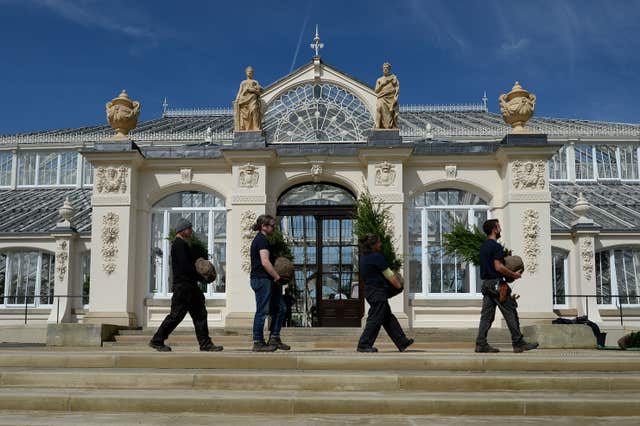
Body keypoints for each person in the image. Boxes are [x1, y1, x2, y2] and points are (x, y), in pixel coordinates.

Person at [149, 218, 222, 352]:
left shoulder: (182, 244)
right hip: (183, 287)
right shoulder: (179, 245)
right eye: (189, 228)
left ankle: (205, 343)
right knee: (176, 315)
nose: (191, 231)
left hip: (189, 286)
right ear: (182, 230)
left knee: (200, 314)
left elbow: (188, 265)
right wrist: (201, 278)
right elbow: (185, 267)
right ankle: (157, 340)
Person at [475, 219, 539, 353]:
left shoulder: (484, 246)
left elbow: (492, 264)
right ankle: (519, 343)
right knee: (510, 312)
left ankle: (481, 344)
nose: (500, 229)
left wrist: (504, 259)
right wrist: (513, 274)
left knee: (487, 316)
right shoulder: (496, 246)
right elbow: (498, 267)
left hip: (486, 285)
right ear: (494, 229)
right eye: (499, 227)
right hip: (498, 285)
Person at [357, 234, 414, 353]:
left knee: (388, 318)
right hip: (377, 292)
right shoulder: (377, 257)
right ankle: (364, 344)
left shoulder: (363, 257)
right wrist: (398, 285)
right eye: (379, 242)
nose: (381, 244)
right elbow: (388, 274)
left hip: (370, 291)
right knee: (375, 319)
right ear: (373, 245)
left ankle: (402, 342)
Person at [250, 214, 290, 352]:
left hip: (266, 279)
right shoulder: (261, 240)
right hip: (262, 279)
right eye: (272, 226)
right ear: (263, 226)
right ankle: (258, 341)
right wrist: (277, 277)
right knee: (262, 311)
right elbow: (265, 262)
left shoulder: (264, 240)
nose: (274, 228)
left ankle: (274, 337)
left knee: (281, 308)